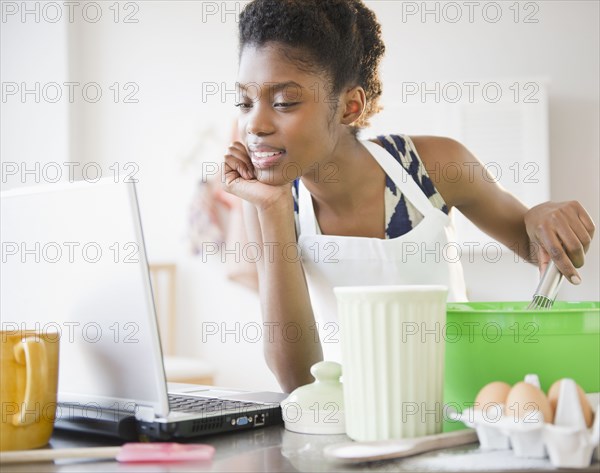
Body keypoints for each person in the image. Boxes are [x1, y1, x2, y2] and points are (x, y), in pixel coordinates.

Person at [222, 0, 595, 393]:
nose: (255, 125)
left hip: (455, 410)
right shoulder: (272, 201)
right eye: (245, 102)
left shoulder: (434, 166)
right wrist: (272, 207)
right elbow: (297, 379)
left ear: (350, 106)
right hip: (350, 420)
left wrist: (546, 220)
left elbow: (539, 247)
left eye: (284, 103)